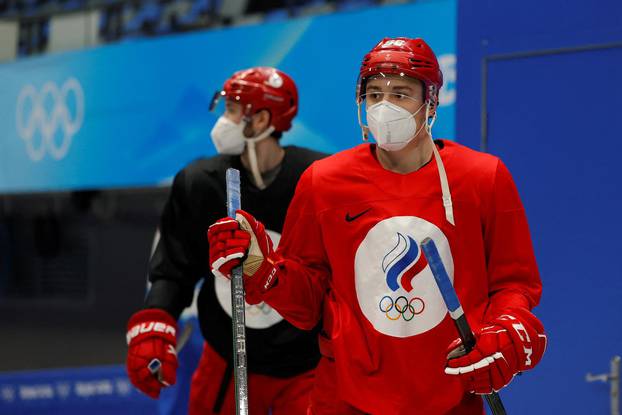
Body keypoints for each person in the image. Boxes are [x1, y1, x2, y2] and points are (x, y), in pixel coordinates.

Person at [208, 38, 548, 414]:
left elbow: (514, 283)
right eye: (374, 94)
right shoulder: (323, 181)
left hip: (451, 393)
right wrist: (260, 267)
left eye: (401, 93)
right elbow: (307, 304)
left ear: (430, 101)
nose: (384, 106)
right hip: (343, 397)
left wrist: (507, 327)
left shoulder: (483, 177)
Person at [125, 66, 327, 415]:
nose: (224, 119)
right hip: (227, 361)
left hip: (307, 365)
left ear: (262, 120)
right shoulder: (200, 182)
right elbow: (174, 266)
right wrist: (156, 320)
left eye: (233, 110)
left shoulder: (318, 181)